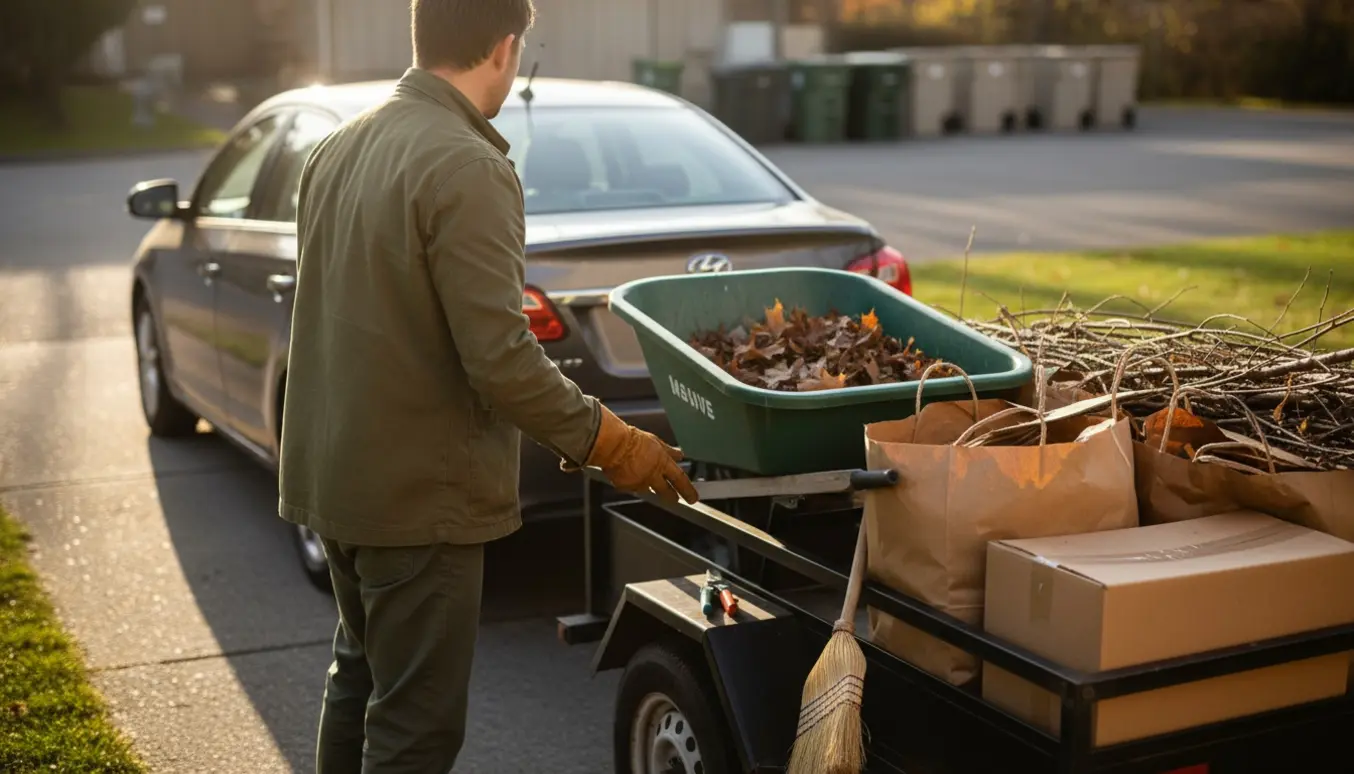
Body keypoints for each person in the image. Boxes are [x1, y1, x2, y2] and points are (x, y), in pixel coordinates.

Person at [276, 1, 700, 771]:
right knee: (416, 730)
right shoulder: (467, 163)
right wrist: (615, 443)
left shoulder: (336, 147)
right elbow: (501, 361)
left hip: (334, 483)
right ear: (506, 48)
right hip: (418, 502)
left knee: (358, 682)